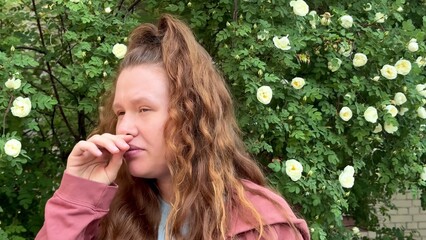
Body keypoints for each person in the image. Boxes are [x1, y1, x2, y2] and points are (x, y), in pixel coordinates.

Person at [35, 14, 310, 240]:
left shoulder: (259, 225)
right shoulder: (111, 214)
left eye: (144, 109)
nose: (124, 127)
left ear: (193, 113)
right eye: (120, 112)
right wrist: (77, 197)